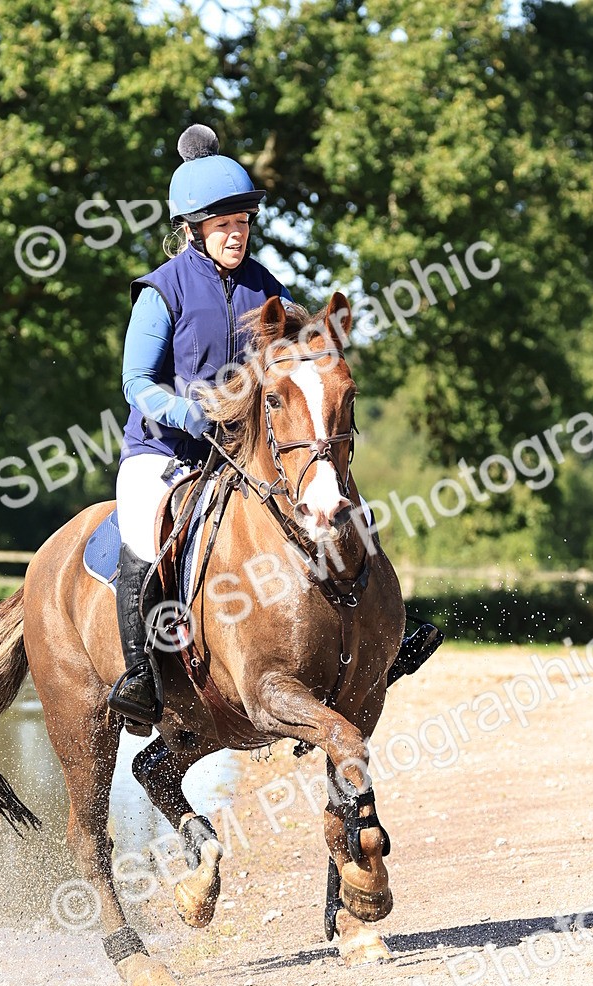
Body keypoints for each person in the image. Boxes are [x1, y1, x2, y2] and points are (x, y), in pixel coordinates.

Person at [108, 124, 441, 731]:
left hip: (247, 451)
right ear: (194, 229)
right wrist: (189, 411)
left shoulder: (268, 286)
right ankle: (139, 675)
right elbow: (136, 384)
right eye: (223, 225)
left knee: (331, 499)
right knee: (142, 532)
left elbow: (300, 359)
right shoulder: (163, 292)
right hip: (167, 451)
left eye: (243, 222)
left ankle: (383, 632)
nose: (237, 234)